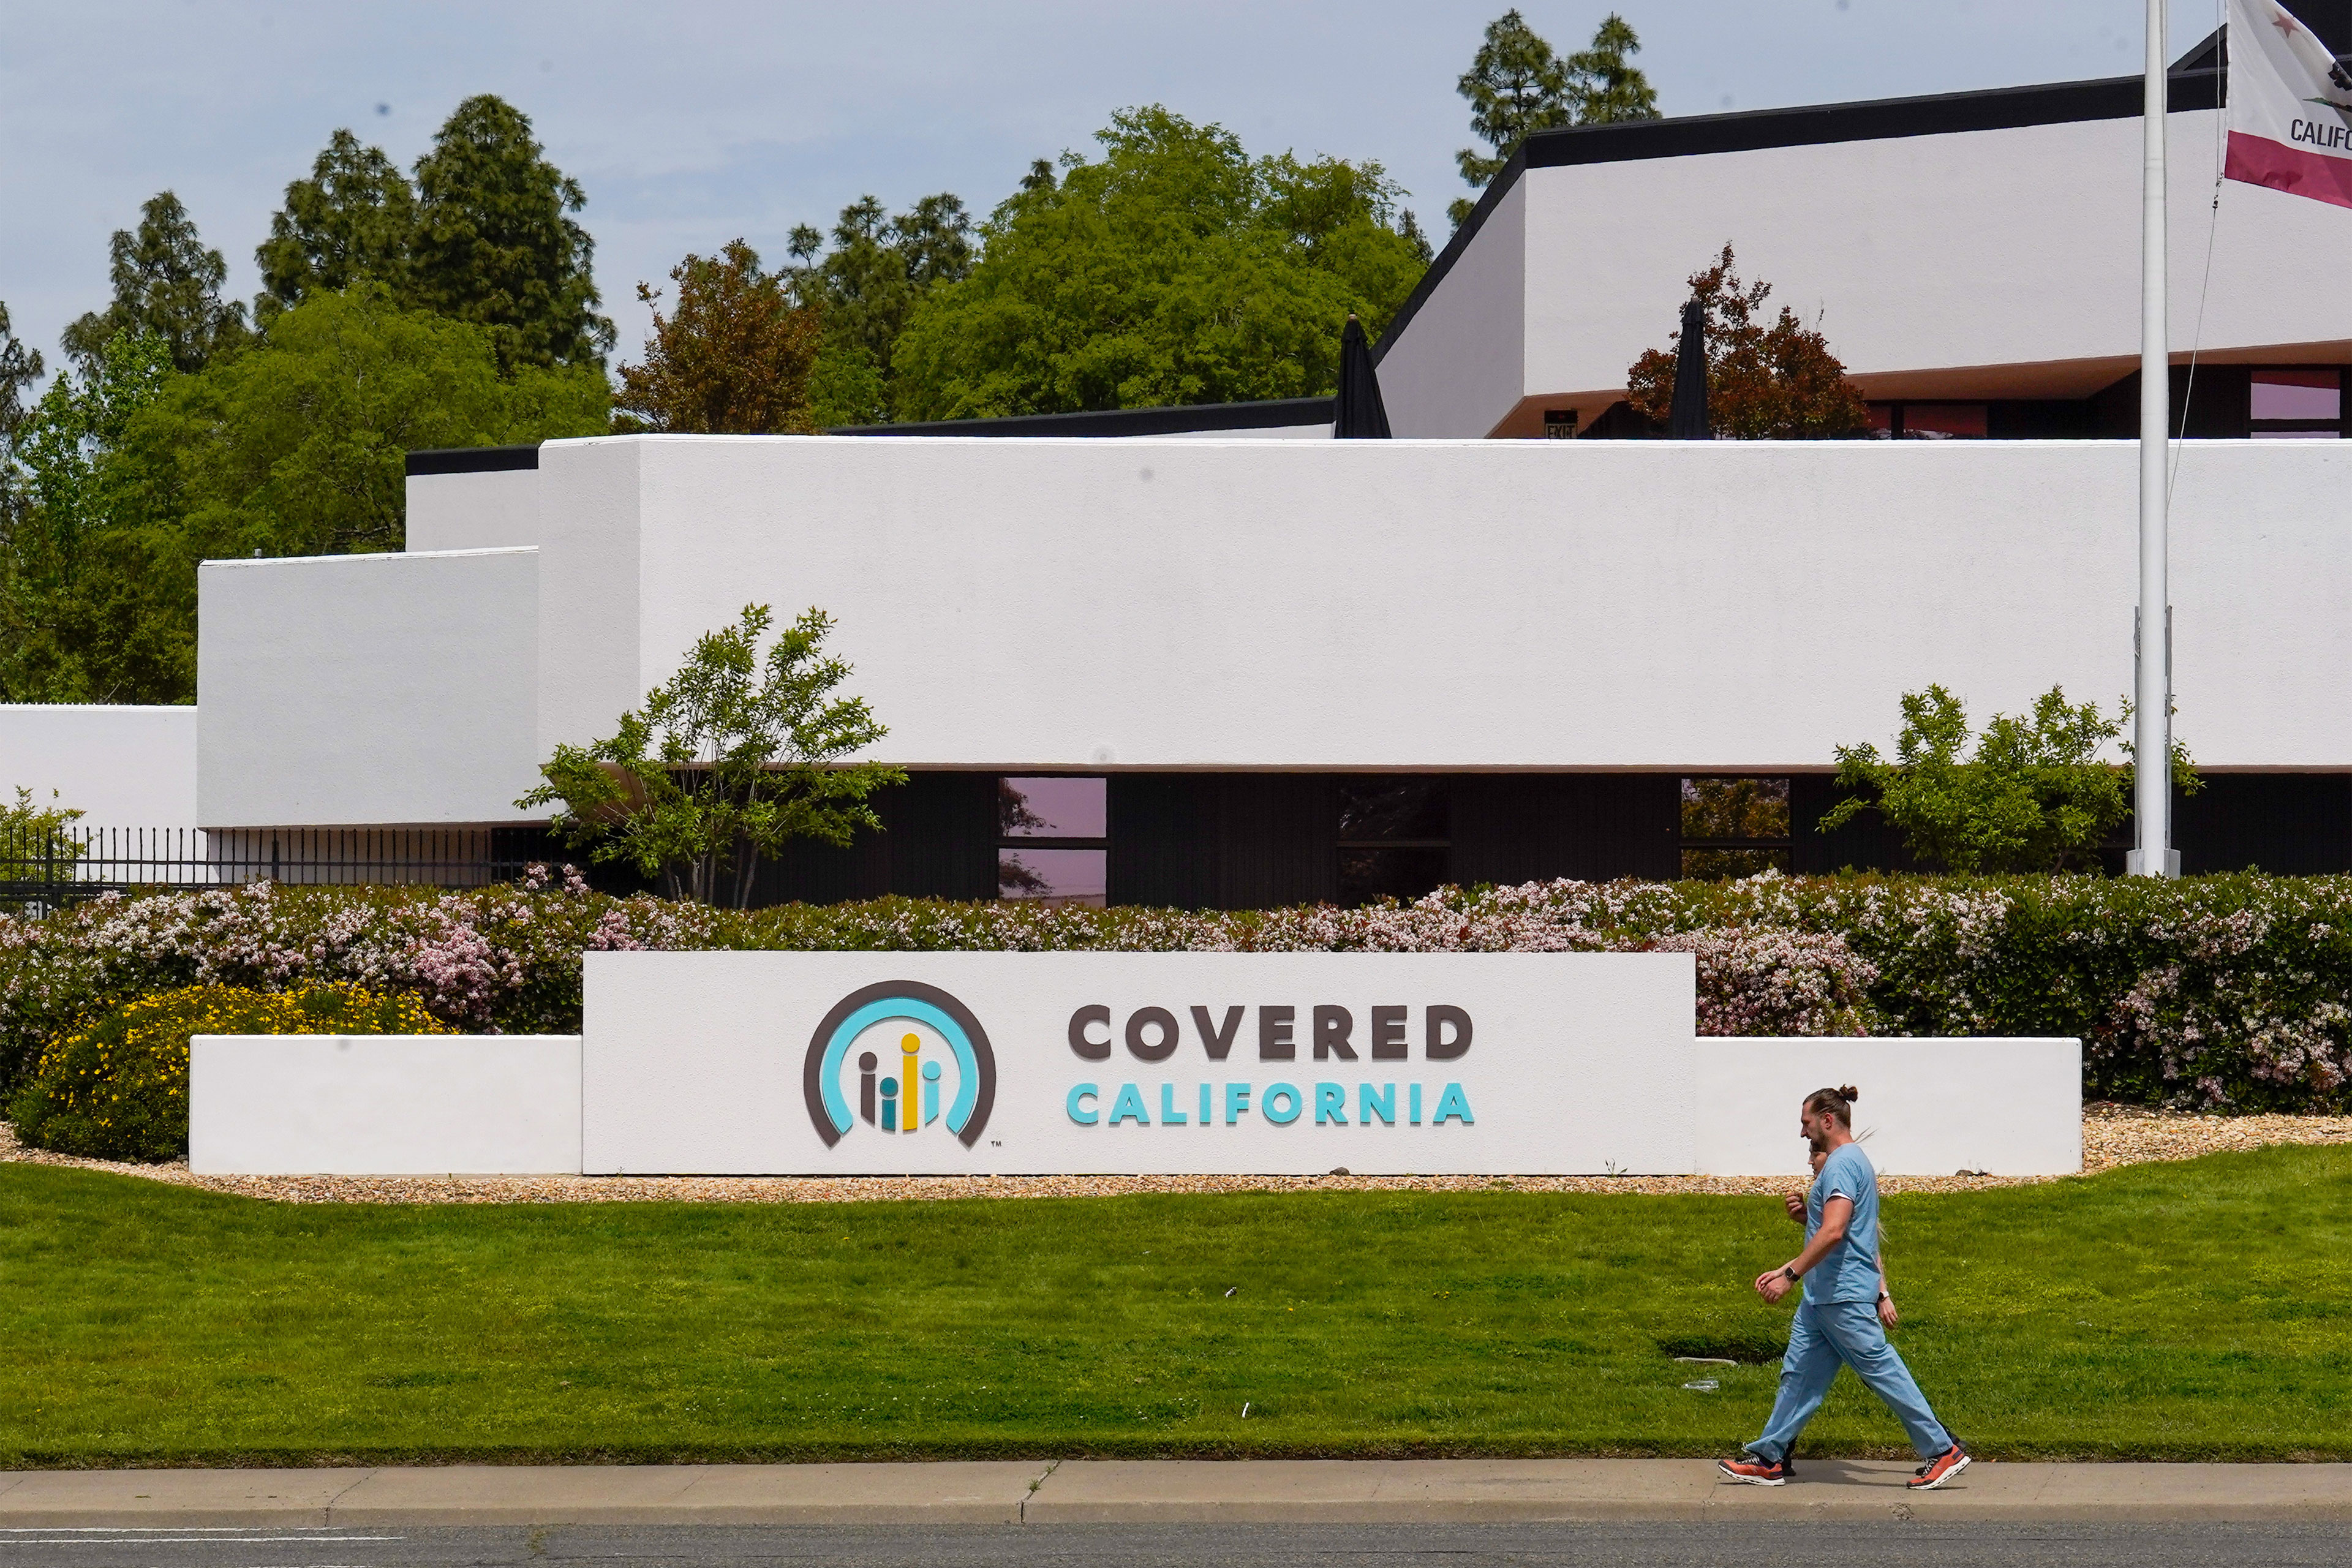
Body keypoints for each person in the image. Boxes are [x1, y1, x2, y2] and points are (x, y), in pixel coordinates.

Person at [1717, 1085, 1970, 1491]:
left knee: (1882, 1370)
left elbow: (1835, 1232)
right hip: (1821, 1297)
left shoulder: (1842, 1164)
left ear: (1827, 1120)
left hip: (1843, 1295)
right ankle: (1769, 1457)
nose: (1803, 1132)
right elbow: (1838, 1230)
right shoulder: (1846, 1163)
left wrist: (1789, 1276)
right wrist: (1798, 1244)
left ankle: (1943, 1450)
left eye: (1806, 1123)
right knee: (1798, 1377)